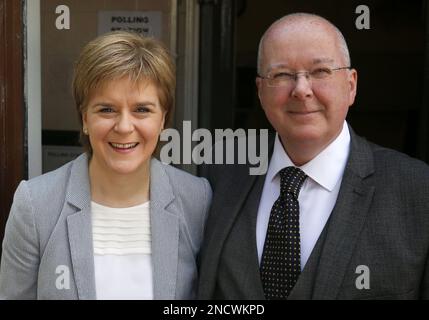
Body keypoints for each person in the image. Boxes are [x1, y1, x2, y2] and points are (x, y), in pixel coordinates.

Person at [198, 13, 429, 299]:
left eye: (320, 72)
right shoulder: (220, 174)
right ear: (260, 91)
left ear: (351, 84)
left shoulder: (418, 191)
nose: (301, 90)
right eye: (281, 75)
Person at [0, 31, 212, 300]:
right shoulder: (35, 205)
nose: (124, 127)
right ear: (84, 119)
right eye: (106, 110)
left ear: (163, 119)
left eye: (142, 110)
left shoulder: (197, 200)